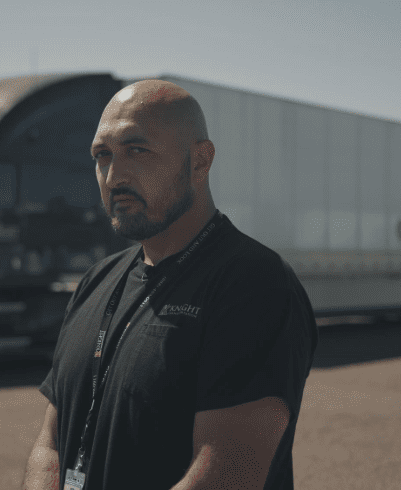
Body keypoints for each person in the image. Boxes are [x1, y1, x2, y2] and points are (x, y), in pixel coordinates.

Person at [22, 79, 318, 490]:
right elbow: (50, 446)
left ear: (200, 161)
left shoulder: (254, 285)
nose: (113, 176)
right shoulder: (96, 282)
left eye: (136, 150)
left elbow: (228, 472)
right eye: (101, 155)